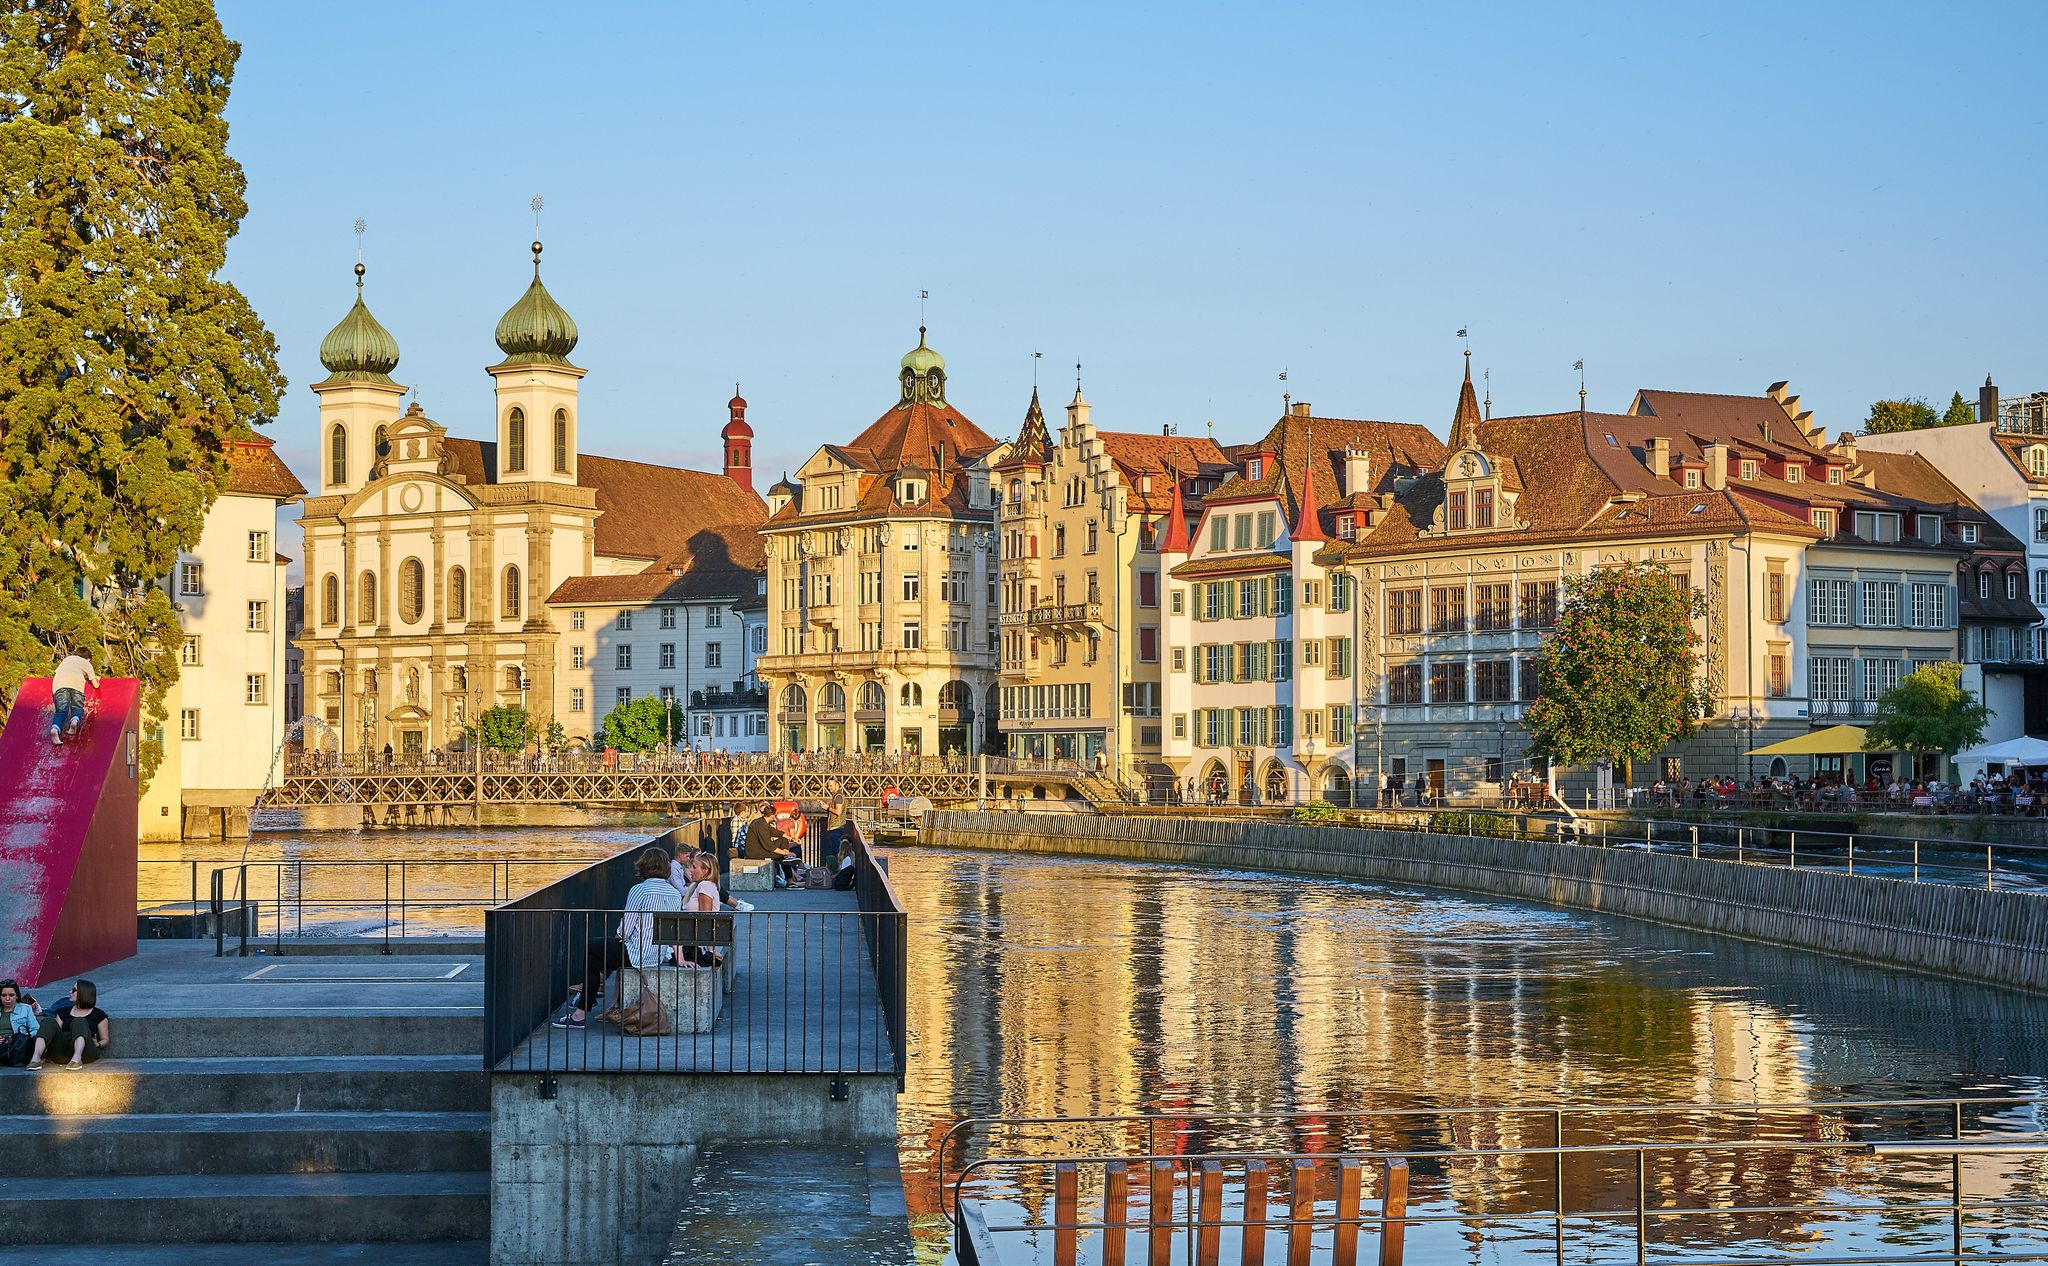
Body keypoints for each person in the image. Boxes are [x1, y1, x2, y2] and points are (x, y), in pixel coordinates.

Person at [554, 847, 681, 1028]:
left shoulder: (639, 890)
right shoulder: (675, 894)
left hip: (636, 953)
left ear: (644, 865)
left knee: (592, 946)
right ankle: (584, 1003)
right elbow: (674, 929)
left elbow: (626, 929)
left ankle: (584, 1004)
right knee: (595, 957)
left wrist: (619, 935)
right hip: (657, 955)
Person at [28, 979, 108, 1070]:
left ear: (84, 993)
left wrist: (98, 1044)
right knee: (48, 1021)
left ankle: (77, 1059)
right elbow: (55, 1032)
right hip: (63, 1052)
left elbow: (105, 1039)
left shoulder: (99, 1014)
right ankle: (35, 1058)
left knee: (79, 1021)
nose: (70, 992)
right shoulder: (63, 1012)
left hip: (85, 1053)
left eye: (74, 990)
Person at [674, 851, 726, 967]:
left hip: (691, 943)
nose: (690, 870)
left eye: (694, 867)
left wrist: (710, 951)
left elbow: (705, 919)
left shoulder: (705, 886)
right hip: (689, 941)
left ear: (705, 870)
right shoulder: (699, 885)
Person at [49, 651, 100, 746]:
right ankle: (74, 721)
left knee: (61, 711)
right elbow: (95, 685)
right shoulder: (86, 663)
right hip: (76, 683)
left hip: (60, 684)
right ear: (88, 658)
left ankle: (55, 729)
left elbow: (57, 672)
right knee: (77, 706)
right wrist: (97, 680)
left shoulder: (67, 659)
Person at [744, 802, 801, 888]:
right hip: (755, 853)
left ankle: (787, 859)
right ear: (771, 816)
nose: (775, 818)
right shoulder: (761, 826)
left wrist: (792, 839)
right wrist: (784, 853)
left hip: (760, 848)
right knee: (780, 856)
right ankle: (790, 881)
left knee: (783, 840)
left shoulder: (761, 821)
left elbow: (776, 832)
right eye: (774, 816)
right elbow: (769, 846)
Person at [1, 980, 39, 1067]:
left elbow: (36, 1029)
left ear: (17, 996)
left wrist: (20, 1037)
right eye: (4, 995)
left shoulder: (26, 1009)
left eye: (11, 995)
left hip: (16, 1046)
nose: (7, 998)